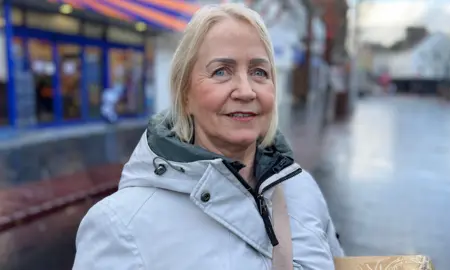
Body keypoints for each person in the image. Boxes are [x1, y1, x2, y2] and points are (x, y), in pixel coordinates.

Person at [73, 4, 343, 270]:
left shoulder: (301, 187)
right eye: (221, 71)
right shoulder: (120, 225)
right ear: (185, 94)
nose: (246, 91)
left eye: (259, 72)